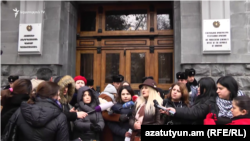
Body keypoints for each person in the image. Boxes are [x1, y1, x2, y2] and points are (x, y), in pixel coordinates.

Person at [5, 81, 81, 141]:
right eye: (57, 95)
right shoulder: (60, 117)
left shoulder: (21, 110)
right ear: (51, 96)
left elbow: (8, 134)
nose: (59, 98)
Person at [54, 75, 88, 140]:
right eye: (63, 86)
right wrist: (75, 115)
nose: (65, 89)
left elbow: (64, 114)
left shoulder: (65, 100)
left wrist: (70, 113)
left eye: (67, 86)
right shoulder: (55, 100)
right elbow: (58, 115)